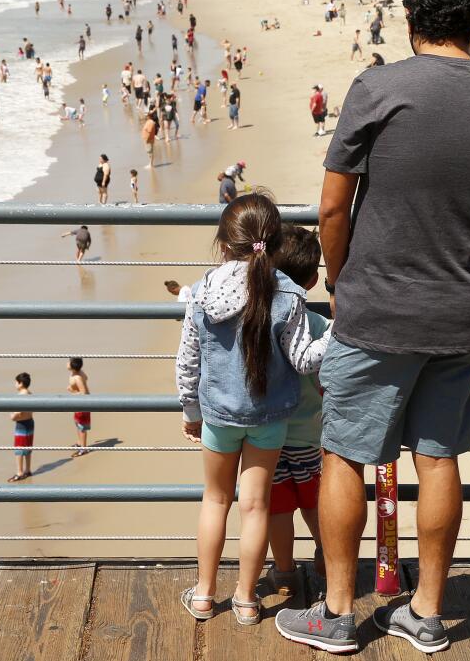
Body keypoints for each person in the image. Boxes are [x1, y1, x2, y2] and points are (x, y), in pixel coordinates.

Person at [277, 0, 470, 654]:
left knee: (344, 454)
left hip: (377, 304)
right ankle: (425, 611)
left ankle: (335, 612)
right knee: (438, 457)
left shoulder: (376, 86)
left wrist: (339, 277)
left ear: (409, 19)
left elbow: (332, 204)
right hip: (458, 306)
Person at [175, 194, 330, 626]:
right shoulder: (288, 293)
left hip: (218, 416)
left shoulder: (204, 290)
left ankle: (204, 595)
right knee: (257, 506)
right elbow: (303, 360)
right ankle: (246, 600)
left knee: (215, 500)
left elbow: (188, 358)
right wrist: (337, 332)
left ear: (224, 244)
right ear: (273, 242)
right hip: (269, 419)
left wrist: (191, 409)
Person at [266, 224, 332, 596]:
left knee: (278, 510)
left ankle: (286, 571)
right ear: (312, 281)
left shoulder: (262, 325)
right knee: (314, 503)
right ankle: (326, 554)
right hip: (310, 437)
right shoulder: (320, 326)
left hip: (269, 438)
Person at [10, 373, 34, 482]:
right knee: (28, 448)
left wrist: (12, 416)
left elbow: (19, 412)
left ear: (20, 383)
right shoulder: (29, 393)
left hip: (21, 424)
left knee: (19, 449)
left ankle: (19, 472)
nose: (14, 384)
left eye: (16, 382)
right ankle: (28, 470)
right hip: (30, 422)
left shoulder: (21, 396)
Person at [68, 357, 91, 457]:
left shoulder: (77, 377)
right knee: (77, 423)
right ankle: (79, 442)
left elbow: (84, 393)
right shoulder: (78, 373)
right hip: (78, 404)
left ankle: (83, 449)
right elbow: (86, 377)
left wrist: (73, 391)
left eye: (68, 362)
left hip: (83, 404)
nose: (66, 363)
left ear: (72, 366)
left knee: (82, 427)